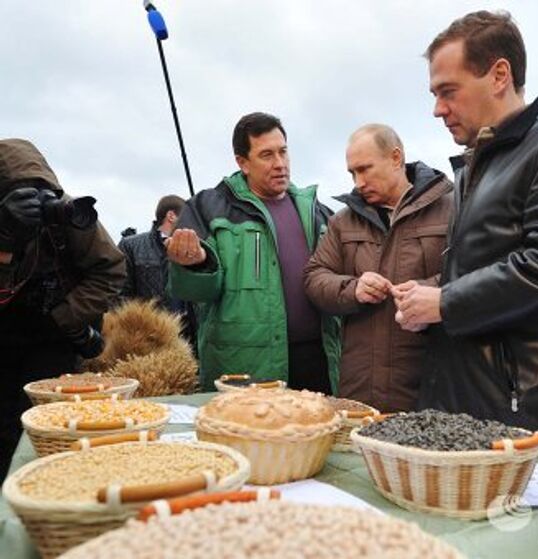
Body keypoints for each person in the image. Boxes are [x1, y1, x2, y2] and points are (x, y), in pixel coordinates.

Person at [393, 11, 538, 448]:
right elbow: (484, 264)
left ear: (499, 75)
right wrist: (428, 295)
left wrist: (446, 302)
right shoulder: (475, 165)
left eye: (448, 91)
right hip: (461, 395)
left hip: (520, 407)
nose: (437, 109)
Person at [166, 112, 339, 393]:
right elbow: (194, 292)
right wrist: (195, 264)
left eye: (283, 152)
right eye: (267, 155)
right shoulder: (208, 207)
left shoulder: (317, 211)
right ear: (242, 162)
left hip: (318, 362)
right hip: (246, 369)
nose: (280, 164)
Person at [304, 124, 453, 412]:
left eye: (365, 169)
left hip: (429, 387)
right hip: (360, 391)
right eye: (352, 173)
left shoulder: (452, 209)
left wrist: (430, 292)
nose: (358, 182)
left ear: (396, 158)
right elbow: (314, 277)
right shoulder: (342, 221)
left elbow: (472, 273)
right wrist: (352, 288)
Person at [0, 138, 125, 479]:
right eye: (20, 192)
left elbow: (112, 269)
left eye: (40, 189)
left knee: (51, 429)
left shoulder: (67, 214)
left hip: (52, 342)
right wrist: (6, 244)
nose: (34, 200)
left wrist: (63, 317)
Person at [118, 195, 197, 347]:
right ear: (171, 216)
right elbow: (120, 296)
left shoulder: (197, 249)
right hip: (147, 340)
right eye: (187, 216)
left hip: (188, 339)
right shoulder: (131, 246)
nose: (192, 223)